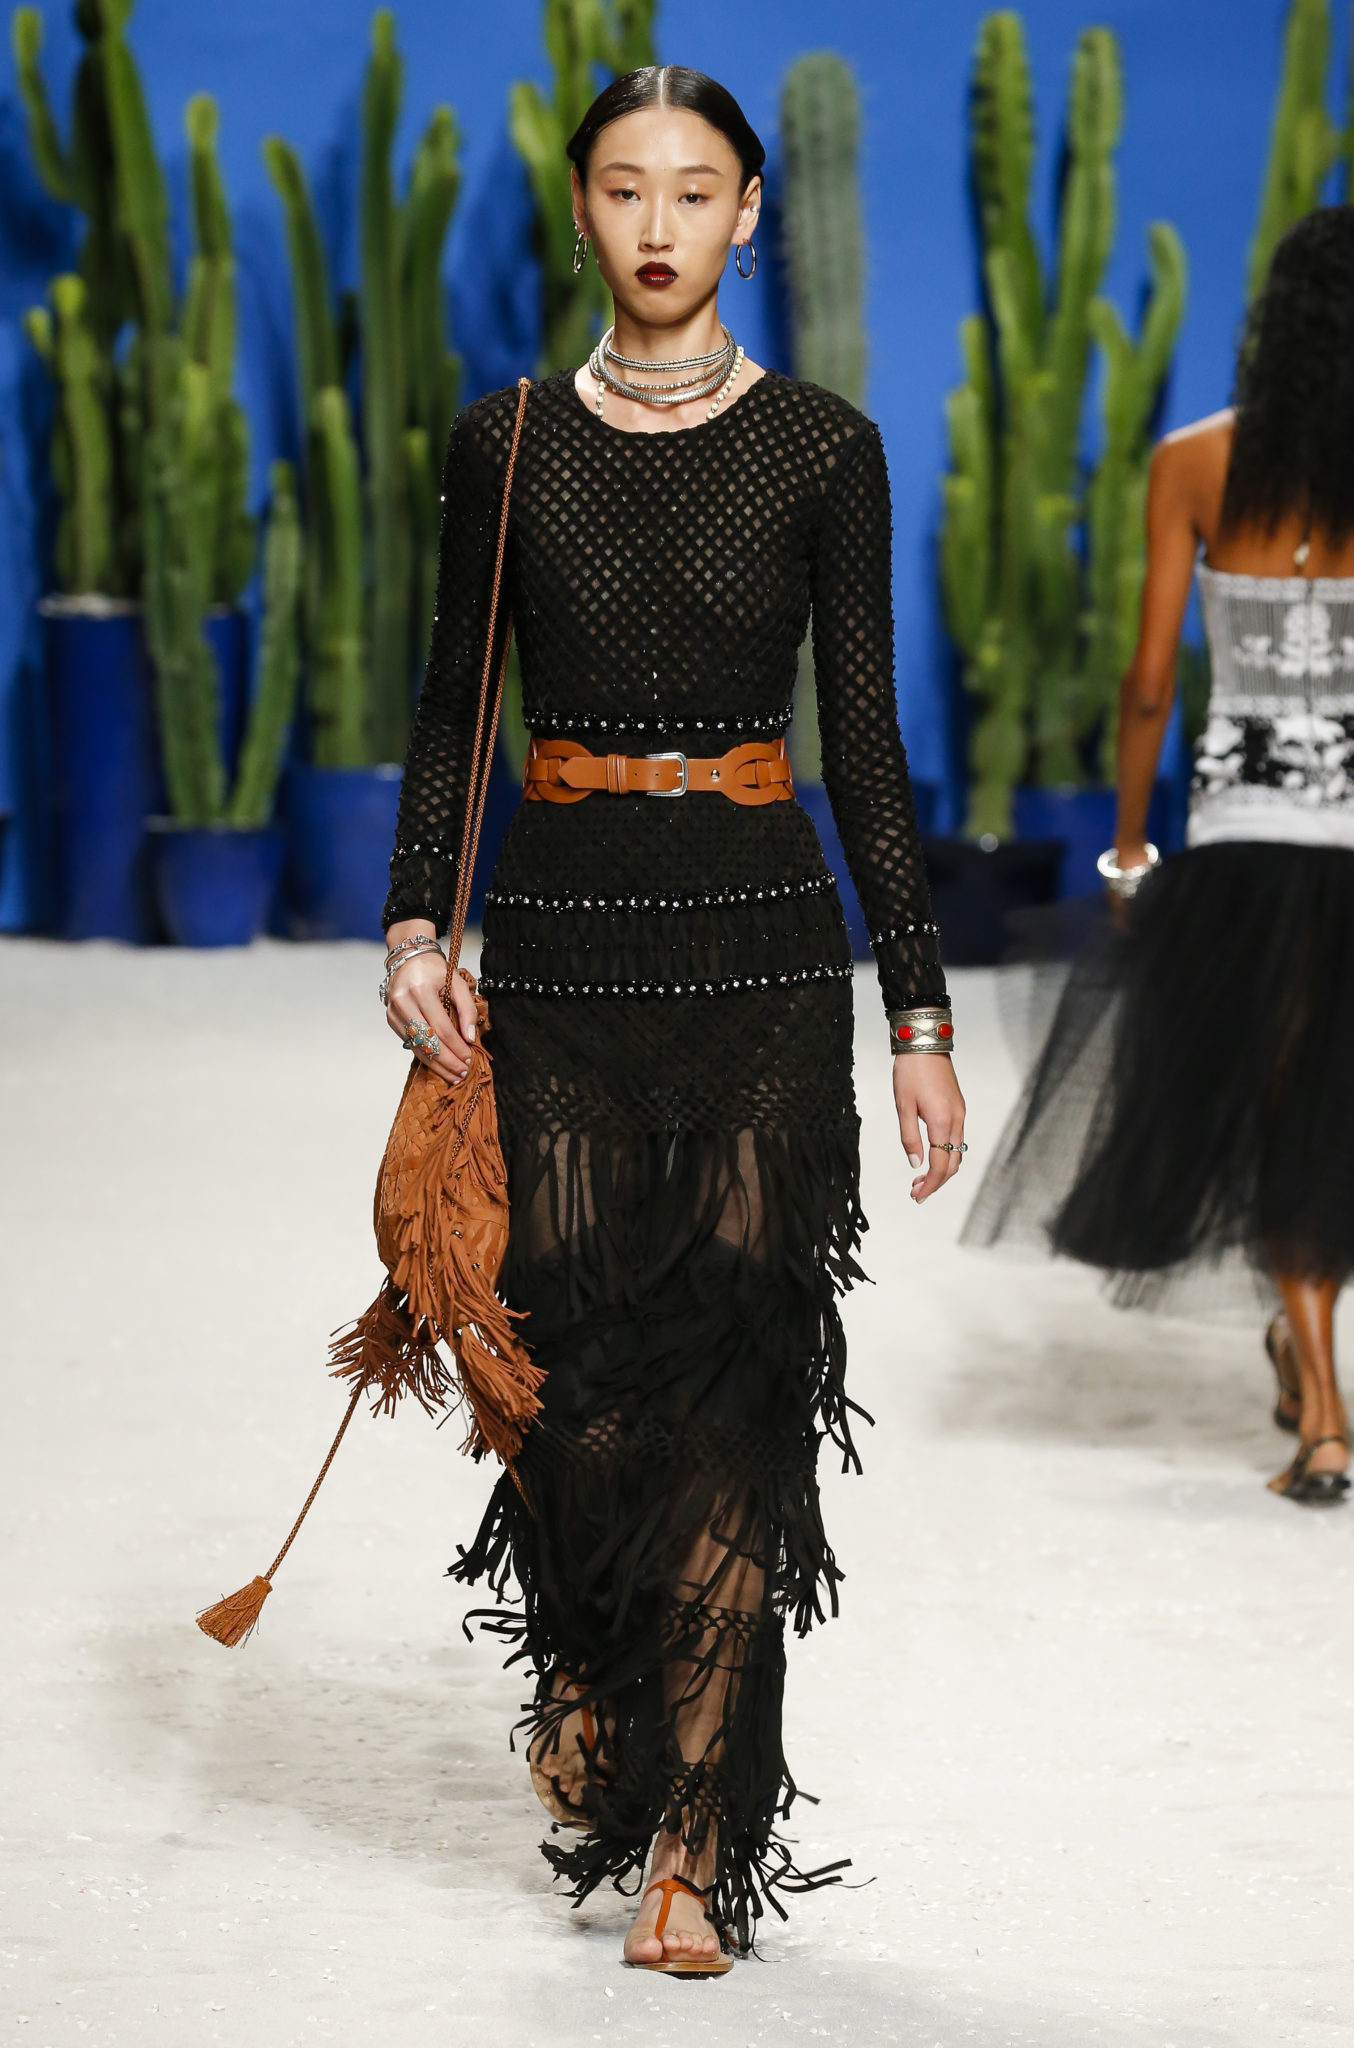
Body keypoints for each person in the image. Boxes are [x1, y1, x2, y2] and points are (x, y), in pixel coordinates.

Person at [378, 63, 963, 1974]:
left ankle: (699, 1842)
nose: (656, 223)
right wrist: (414, 924)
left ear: (748, 212)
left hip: (757, 962)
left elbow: (862, 735)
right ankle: (585, 1667)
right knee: (575, 1387)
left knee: (731, 1400)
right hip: (556, 953)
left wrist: (918, 1012)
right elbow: (453, 697)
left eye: (693, 190)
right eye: (624, 188)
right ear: (578, 211)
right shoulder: (505, 441)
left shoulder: (820, 448)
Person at [965, 206, 1354, 1509]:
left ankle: (1318, 1409)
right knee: (1333, 1109)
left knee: (1278, 1104)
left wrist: (1130, 846)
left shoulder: (1192, 462)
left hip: (1244, 847)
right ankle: (1314, 1379)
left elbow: (1147, 682)